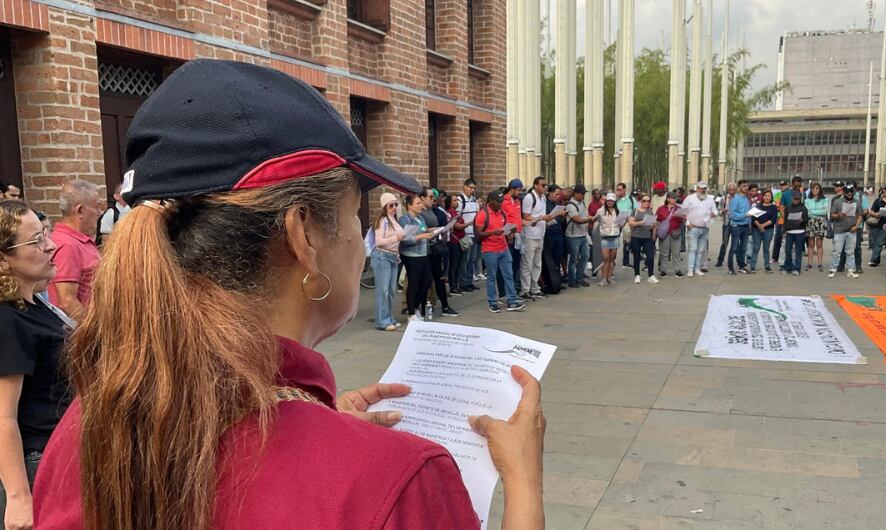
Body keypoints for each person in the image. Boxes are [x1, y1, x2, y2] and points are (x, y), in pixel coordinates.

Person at [32, 60, 545, 530]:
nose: (360, 244)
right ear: (304, 236)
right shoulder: (398, 479)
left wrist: (320, 427)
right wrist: (523, 483)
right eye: (353, 215)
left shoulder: (89, 425)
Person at [0, 201, 71, 530]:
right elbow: (3, 416)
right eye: (36, 241)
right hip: (37, 463)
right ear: (4, 258)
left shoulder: (35, 308)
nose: (50, 245)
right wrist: (18, 496)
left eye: (45, 234)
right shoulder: (8, 320)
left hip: (60, 453)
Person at [47, 180, 101, 321]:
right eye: (97, 207)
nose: (99, 213)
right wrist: (94, 334)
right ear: (80, 210)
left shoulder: (77, 240)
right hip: (82, 335)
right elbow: (67, 301)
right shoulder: (68, 245)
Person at [476, 190, 526, 313]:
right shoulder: (483, 214)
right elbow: (479, 233)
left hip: (503, 248)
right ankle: (492, 302)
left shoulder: (502, 213)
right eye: (498, 202)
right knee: (491, 277)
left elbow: (505, 230)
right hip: (490, 250)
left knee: (509, 275)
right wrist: (493, 232)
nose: (500, 204)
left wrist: (511, 232)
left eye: (501, 201)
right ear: (491, 201)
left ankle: (511, 301)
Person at [399, 191, 441, 320]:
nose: (420, 206)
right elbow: (405, 239)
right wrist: (423, 236)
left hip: (423, 253)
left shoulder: (420, 218)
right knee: (414, 282)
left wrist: (431, 230)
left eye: (420, 203)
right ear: (409, 205)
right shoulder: (405, 219)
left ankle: (416, 307)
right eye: (417, 203)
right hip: (411, 254)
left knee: (426, 281)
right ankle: (411, 312)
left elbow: (422, 230)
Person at [419, 189, 458, 317]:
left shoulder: (431, 211)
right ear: (422, 198)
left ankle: (445, 306)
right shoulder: (420, 213)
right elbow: (421, 230)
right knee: (425, 281)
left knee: (439, 279)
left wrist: (441, 229)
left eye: (434, 197)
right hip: (426, 250)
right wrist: (435, 229)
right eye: (430, 197)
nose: (433, 199)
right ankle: (423, 308)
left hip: (436, 247)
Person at [521, 177, 559, 299]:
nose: (545, 187)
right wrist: (541, 218)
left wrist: (547, 217)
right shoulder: (529, 198)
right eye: (543, 185)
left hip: (540, 234)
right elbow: (526, 217)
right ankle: (525, 289)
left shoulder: (543, 198)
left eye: (546, 185)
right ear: (536, 185)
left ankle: (535, 288)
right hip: (530, 234)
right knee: (527, 263)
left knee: (537, 263)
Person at [371, 193, 405, 331]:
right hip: (382, 256)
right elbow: (378, 242)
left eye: (396, 204)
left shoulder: (394, 219)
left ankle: (389, 317)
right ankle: (382, 320)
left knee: (391, 290)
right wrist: (396, 238)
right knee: (383, 290)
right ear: (385, 206)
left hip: (392, 256)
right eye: (391, 205)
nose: (394, 207)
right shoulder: (383, 221)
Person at [683, 182, 718, 277]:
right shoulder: (690, 199)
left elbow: (715, 211)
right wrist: (688, 224)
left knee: (701, 250)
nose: (702, 190)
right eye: (701, 188)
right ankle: (690, 269)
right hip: (693, 228)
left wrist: (714, 214)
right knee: (692, 249)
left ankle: (697, 268)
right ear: (697, 188)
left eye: (704, 188)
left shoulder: (710, 200)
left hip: (704, 228)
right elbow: (683, 212)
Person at [827, 185, 863, 279]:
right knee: (837, 251)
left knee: (851, 251)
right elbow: (832, 215)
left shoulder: (857, 202)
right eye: (847, 192)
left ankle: (851, 269)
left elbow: (860, 215)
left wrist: (856, 226)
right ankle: (833, 268)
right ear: (844, 192)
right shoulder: (838, 202)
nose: (849, 194)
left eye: (851, 192)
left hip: (852, 229)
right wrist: (839, 215)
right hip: (839, 230)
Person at [540, 185, 567, 294]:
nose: (558, 196)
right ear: (550, 193)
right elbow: (546, 218)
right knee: (549, 258)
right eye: (556, 194)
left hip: (558, 232)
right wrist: (557, 215)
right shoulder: (545, 204)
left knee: (557, 258)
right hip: (549, 233)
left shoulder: (557, 204)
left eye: (559, 194)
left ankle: (557, 281)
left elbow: (558, 219)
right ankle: (548, 281)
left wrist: (562, 216)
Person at [627, 194, 659, 284]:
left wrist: (653, 232)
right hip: (636, 236)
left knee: (650, 256)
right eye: (644, 201)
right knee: (636, 256)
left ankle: (651, 275)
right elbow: (631, 223)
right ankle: (637, 275)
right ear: (640, 202)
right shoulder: (635, 211)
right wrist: (641, 222)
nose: (646, 203)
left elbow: (653, 224)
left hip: (647, 237)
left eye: (648, 201)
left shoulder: (650, 211)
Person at [564, 185, 592, 288]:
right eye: (581, 194)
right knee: (574, 259)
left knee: (585, 256)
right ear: (576, 193)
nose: (583, 195)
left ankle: (580, 277)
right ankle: (572, 280)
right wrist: (589, 219)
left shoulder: (583, 203)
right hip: (573, 236)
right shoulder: (571, 205)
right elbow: (577, 220)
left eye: (584, 194)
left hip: (583, 235)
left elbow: (584, 217)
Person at [502, 180, 525, 295]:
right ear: (512, 189)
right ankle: (506, 292)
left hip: (518, 234)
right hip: (509, 235)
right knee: (508, 265)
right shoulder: (504, 201)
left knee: (516, 263)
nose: (520, 192)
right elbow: (503, 219)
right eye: (519, 190)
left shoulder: (517, 201)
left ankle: (513, 290)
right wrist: (507, 233)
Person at [593, 193, 621, 286]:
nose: (610, 202)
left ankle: (609, 277)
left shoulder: (617, 211)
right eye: (608, 200)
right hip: (605, 237)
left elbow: (620, 224)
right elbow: (595, 222)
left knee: (612, 258)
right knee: (605, 258)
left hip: (615, 236)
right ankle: (603, 278)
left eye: (612, 201)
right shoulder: (601, 211)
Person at [656, 192, 685, 277]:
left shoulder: (679, 208)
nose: (675, 199)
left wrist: (683, 218)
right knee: (664, 253)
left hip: (676, 233)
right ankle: (663, 270)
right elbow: (656, 220)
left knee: (676, 253)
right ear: (668, 199)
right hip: (664, 233)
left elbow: (683, 221)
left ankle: (677, 270)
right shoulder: (661, 209)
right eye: (673, 198)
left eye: (675, 198)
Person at [457, 178, 480, 292]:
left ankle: (469, 281)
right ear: (464, 187)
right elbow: (457, 218)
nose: (472, 190)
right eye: (471, 188)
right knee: (465, 259)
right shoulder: (460, 200)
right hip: (465, 234)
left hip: (474, 233)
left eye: (474, 188)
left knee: (472, 259)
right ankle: (463, 282)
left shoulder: (474, 200)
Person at [445, 194, 469, 297]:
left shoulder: (456, 212)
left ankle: (456, 284)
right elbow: (457, 226)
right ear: (450, 202)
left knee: (458, 263)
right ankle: (453, 286)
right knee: (454, 264)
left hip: (459, 240)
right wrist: (471, 222)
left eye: (457, 200)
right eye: (454, 200)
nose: (457, 202)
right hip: (455, 241)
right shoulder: (451, 212)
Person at [749, 189, 777, 273]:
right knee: (756, 247)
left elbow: (773, 219)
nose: (767, 197)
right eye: (765, 195)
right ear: (762, 197)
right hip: (756, 229)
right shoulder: (758, 206)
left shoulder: (773, 207)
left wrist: (763, 225)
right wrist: (759, 225)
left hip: (768, 229)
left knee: (766, 248)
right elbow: (753, 217)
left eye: (769, 195)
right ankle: (752, 266)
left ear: (771, 197)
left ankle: (767, 266)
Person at [781, 191, 809, 275]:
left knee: (798, 251)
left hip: (800, 231)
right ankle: (788, 267)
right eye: (794, 199)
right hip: (789, 231)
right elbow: (785, 220)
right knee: (788, 250)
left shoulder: (803, 207)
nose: (796, 200)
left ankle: (797, 268)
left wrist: (802, 220)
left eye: (797, 199)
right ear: (791, 198)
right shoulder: (788, 207)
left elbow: (807, 219)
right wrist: (784, 231)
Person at [727, 180, 751, 274]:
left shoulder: (746, 198)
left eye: (746, 185)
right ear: (739, 187)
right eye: (744, 186)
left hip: (745, 226)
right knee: (734, 247)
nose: (746, 187)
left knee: (744, 248)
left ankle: (741, 266)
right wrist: (745, 215)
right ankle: (730, 267)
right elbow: (732, 214)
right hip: (736, 226)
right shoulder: (735, 199)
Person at [867, 186, 886, 269]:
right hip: (875, 223)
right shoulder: (878, 200)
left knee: (879, 242)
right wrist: (875, 214)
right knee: (873, 242)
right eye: (885, 190)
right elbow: (871, 210)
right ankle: (876, 259)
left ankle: (873, 260)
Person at [803, 182, 829, 272]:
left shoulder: (824, 200)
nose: (815, 190)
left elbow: (824, 212)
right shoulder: (807, 200)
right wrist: (817, 211)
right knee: (810, 244)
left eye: (817, 188)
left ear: (820, 190)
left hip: (820, 223)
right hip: (810, 223)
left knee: (819, 244)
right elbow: (807, 213)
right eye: (813, 188)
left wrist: (813, 211)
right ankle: (809, 264)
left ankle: (819, 264)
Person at [96, 182, 131, 246]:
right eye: (125, 191)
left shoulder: (133, 210)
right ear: (117, 196)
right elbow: (105, 239)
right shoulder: (111, 213)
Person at [714, 182, 737, 267]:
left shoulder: (738, 198)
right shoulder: (723, 199)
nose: (732, 191)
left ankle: (738, 260)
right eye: (730, 189)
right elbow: (718, 211)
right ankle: (720, 260)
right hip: (726, 223)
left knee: (736, 242)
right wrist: (722, 211)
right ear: (727, 189)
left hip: (736, 223)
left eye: (734, 189)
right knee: (724, 242)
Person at [615, 183, 636, 268]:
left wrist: (631, 218)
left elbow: (636, 209)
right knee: (615, 242)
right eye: (617, 190)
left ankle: (626, 261)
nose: (618, 191)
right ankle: (612, 261)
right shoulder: (615, 200)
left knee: (627, 242)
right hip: (618, 222)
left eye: (620, 189)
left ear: (624, 190)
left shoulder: (631, 199)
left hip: (628, 223)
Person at [588, 188, 604, 278]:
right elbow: (595, 216)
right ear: (593, 195)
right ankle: (595, 269)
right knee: (595, 249)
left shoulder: (601, 203)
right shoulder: (592, 205)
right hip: (593, 228)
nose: (598, 195)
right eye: (596, 194)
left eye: (599, 193)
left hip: (602, 228)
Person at [771, 180, 788, 264]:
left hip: (787, 218)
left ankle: (787, 258)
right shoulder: (777, 194)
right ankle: (775, 257)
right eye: (781, 185)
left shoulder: (788, 194)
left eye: (784, 185)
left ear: (787, 185)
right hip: (779, 218)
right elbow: (775, 206)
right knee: (778, 237)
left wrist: (780, 207)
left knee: (787, 239)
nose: (782, 187)